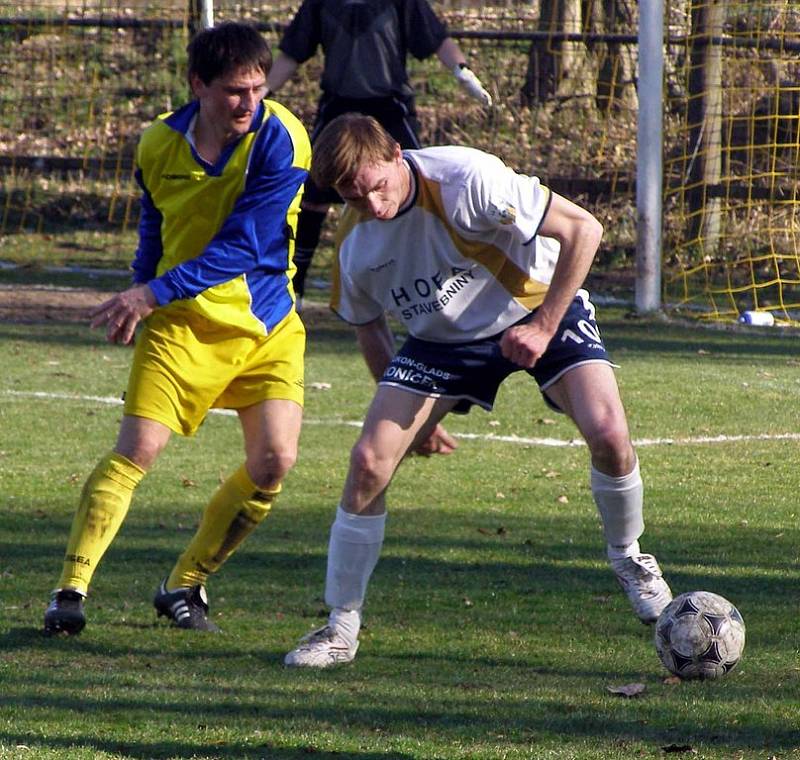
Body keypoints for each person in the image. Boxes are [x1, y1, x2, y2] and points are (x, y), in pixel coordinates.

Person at [283, 114, 673, 668]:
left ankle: (630, 560)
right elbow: (369, 327)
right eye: (351, 194)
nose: (371, 203)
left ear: (398, 153)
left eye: (376, 186)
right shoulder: (354, 244)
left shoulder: (467, 178)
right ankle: (340, 627)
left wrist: (542, 327)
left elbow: (584, 230)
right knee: (369, 461)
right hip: (440, 344)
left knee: (609, 433)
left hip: (539, 307)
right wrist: (416, 415)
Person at [43, 21, 311, 636]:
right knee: (137, 450)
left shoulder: (282, 140)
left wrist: (147, 291)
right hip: (181, 324)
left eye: (257, 88)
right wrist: (141, 294)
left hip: (266, 324)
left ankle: (184, 587)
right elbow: (154, 226)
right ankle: (69, 591)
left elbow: (244, 244)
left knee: (274, 461)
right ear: (198, 86)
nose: (249, 102)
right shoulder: (158, 144)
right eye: (234, 91)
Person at [265, 0, 492, 304]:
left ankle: (435, 277)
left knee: (418, 188)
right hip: (338, 106)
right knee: (313, 194)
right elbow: (293, 52)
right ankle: (295, 286)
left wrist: (461, 71)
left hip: (390, 107)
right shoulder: (321, 3)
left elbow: (436, 38)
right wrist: (262, 93)